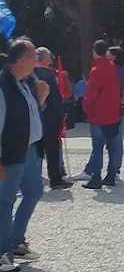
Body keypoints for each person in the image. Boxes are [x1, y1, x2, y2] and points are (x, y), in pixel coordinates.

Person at [0, 38, 50, 272]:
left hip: (29, 150)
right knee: (5, 202)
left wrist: (41, 97)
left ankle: (16, 242)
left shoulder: (25, 82)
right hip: (10, 154)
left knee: (34, 192)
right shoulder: (3, 86)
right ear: (20, 60)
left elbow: (30, 113)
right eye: (33, 57)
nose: (36, 62)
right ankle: (2, 253)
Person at [82, 39, 123, 188]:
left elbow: (91, 94)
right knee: (112, 147)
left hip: (99, 114)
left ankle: (96, 177)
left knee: (98, 148)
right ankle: (111, 175)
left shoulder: (96, 70)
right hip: (113, 113)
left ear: (94, 51)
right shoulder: (112, 67)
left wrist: (86, 106)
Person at [33, 48, 70, 189]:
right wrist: (62, 113)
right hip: (50, 117)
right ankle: (55, 179)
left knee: (37, 151)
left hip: (37, 118)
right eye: (49, 57)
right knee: (52, 149)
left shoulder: (31, 73)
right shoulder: (47, 74)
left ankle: (34, 179)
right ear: (43, 58)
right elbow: (55, 97)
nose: (51, 59)